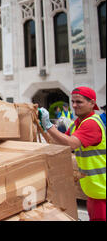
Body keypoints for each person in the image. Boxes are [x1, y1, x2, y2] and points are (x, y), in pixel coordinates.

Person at [40, 86, 105, 221]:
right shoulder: (76, 124)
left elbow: (72, 144)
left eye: (79, 102)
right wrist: (44, 129)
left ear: (92, 103)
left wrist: (49, 126)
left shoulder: (91, 124)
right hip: (93, 191)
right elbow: (61, 144)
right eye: (73, 102)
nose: (74, 106)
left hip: (102, 192)